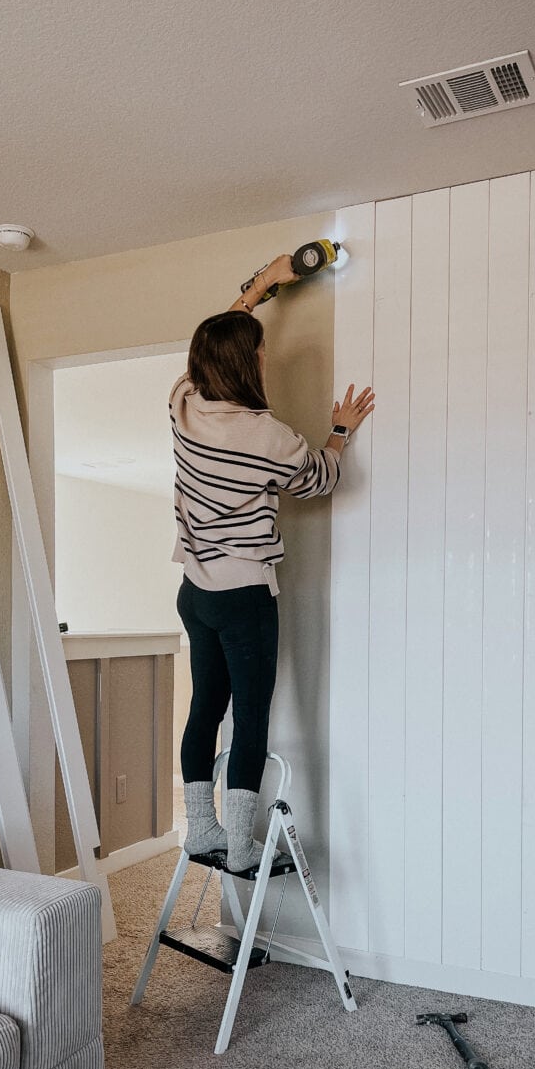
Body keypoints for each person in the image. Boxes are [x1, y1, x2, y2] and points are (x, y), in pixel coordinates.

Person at [172, 252, 375, 872]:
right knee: (251, 716)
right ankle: (239, 846)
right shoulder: (268, 437)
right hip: (243, 599)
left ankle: (200, 830)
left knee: (206, 705)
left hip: (194, 591)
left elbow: (213, 343)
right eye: (259, 352)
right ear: (247, 365)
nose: (265, 357)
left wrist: (260, 286)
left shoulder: (184, 402)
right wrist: (340, 431)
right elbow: (320, 479)